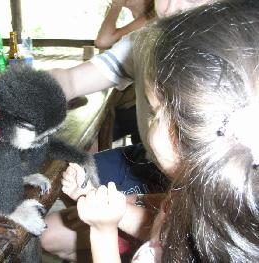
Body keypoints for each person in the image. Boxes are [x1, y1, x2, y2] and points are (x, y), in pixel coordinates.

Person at [0, 0, 216, 261]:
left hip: (198, 188)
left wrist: (127, 213)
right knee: (65, 179)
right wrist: (15, 89)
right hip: (148, 162)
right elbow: (71, 79)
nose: (170, 9)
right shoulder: (147, 40)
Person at [73, 0, 259, 261]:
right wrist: (115, 211)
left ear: (184, 130)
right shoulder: (198, 196)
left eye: (155, 112)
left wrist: (102, 231)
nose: (170, 8)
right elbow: (163, 225)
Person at [95, 0, 155, 145]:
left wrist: (116, 6)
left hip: (144, 110)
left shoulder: (149, 19)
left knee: (94, 128)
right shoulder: (142, 20)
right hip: (138, 105)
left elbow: (103, 41)